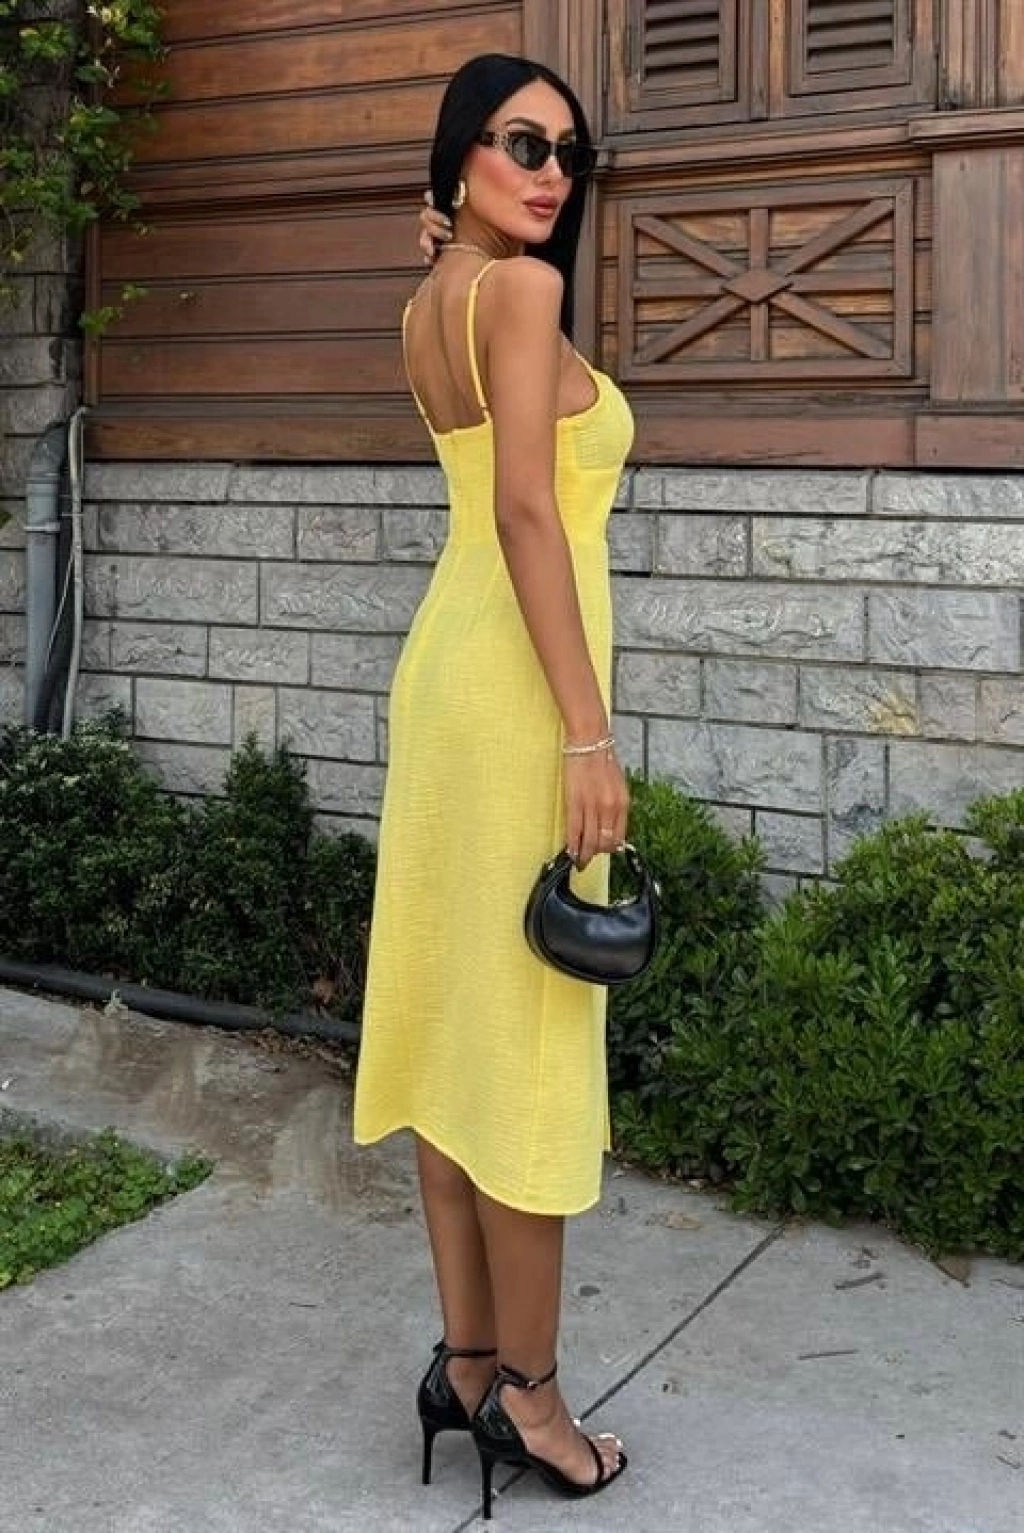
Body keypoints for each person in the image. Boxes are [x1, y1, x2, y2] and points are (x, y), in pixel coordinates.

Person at [353, 52, 632, 1520]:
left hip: (448, 679)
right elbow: (530, 510)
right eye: (523, 144)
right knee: (523, 1043)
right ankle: (531, 1393)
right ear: (462, 151)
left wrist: (449, 241)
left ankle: (466, 1362)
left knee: (460, 1025)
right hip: (519, 699)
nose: (551, 173)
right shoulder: (520, 293)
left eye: (570, 154)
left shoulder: (433, 301)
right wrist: (588, 734)